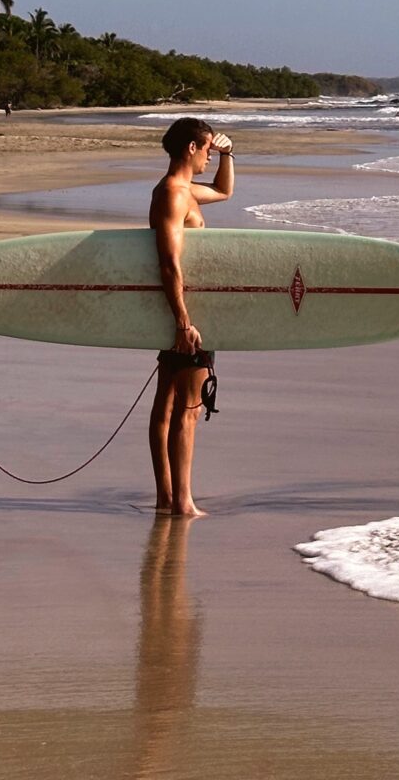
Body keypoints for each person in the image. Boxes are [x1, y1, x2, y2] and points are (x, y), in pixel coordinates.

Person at [148, 117, 234, 517]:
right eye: (207, 151)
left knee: (168, 403)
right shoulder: (173, 195)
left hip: (180, 311)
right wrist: (184, 322)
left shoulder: (184, 191)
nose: (208, 158)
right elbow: (169, 262)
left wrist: (229, 155)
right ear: (190, 148)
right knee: (188, 408)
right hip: (187, 315)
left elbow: (223, 189)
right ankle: (182, 501)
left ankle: (168, 497)